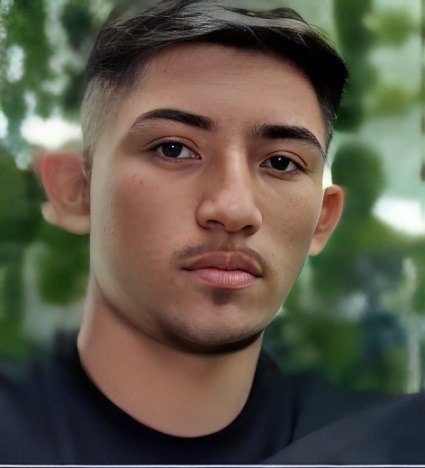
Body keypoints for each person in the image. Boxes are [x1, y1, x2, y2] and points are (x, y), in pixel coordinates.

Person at [1, 0, 422, 464]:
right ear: (76, 190)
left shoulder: (392, 447)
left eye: (281, 162)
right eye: (174, 149)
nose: (234, 208)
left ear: (322, 219)